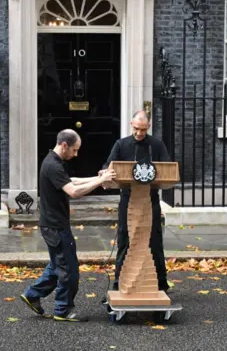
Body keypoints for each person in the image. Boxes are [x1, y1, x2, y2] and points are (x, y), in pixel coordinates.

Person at [21, 129, 117, 322]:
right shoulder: (53, 165)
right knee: (69, 270)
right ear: (64, 146)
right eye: (74, 150)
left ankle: (32, 295)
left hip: (52, 224)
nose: (76, 154)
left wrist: (98, 179)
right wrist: (100, 180)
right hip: (55, 226)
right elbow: (73, 191)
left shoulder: (53, 162)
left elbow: (70, 181)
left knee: (58, 265)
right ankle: (62, 310)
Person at [100, 110, 171, 292]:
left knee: (154, 241)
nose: (139, 133)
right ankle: (119, 283)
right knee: (125, 241)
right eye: (137, 129)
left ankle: (160, 283)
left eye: (143, 130)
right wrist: (104, 174)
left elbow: (167, 168)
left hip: (150, 200)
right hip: (128, 199)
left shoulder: (156, 144)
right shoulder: (121, 144)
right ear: (131, 124)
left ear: (148, 127)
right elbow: (107, 166)